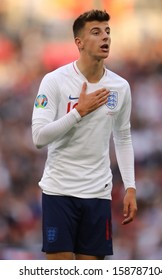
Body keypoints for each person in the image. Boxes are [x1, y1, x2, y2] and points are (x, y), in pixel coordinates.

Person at [32, 9, 137, 260]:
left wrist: (131, 186)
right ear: (78, 42)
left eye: (108, 32)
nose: (105, 37)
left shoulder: (120, 87)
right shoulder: (54, 81)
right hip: (59, 192)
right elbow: (38, 137)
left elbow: (122, 137)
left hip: (97, 193)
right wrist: (78, 112)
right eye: (96, 32)